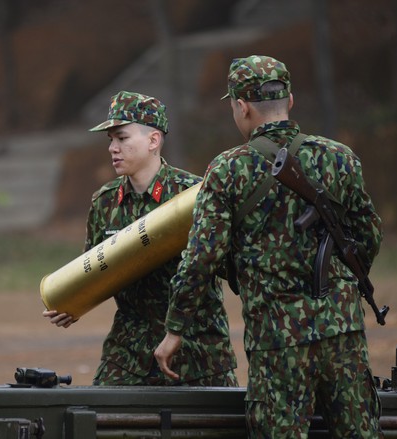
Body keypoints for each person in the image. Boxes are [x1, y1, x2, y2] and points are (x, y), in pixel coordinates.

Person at [154, 56, 384, 437]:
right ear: (290, 100)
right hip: (343, 333)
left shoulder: (228, 169)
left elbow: (202, 257)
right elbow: (369, 236)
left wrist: (175, 328)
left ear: (241, 107)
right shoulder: (338, 157)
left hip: (278, 342)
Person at [43, 90, 238, 386]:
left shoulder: (193, 195)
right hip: (129, 352)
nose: (113, 148)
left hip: (197, 350)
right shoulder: (105, 202)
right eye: (111, 140)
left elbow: (222, 264)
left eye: (122, 138)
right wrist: (75, 301)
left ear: (153, 140)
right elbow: (97, 269)